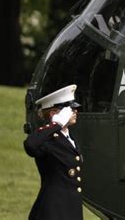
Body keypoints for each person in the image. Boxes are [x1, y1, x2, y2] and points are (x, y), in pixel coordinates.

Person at [24, 84, 84, 220]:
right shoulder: (48, 139)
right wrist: (56, 124)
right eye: (69, 109)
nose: (75, 111)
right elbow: (30, 145)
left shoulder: (70, 138)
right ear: (53, 113)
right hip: (53, 210)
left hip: (70, 209)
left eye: (74, 108)